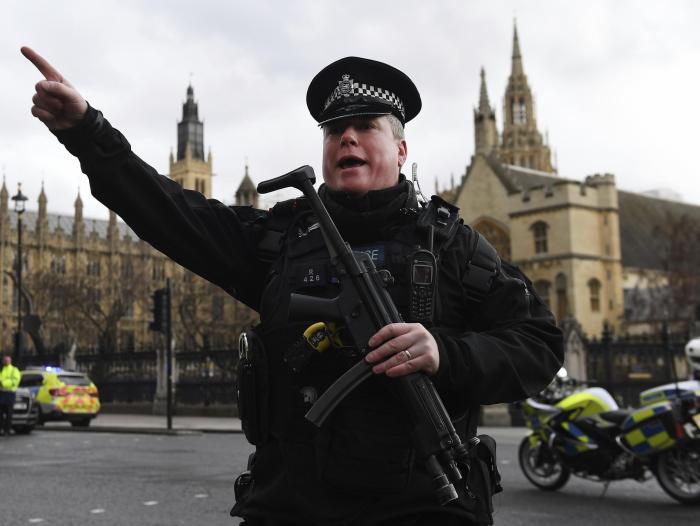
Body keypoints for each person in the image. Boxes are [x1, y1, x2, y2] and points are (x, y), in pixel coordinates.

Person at [22, 47, 564, 525]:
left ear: (400, 150)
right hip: (291, 505)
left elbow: (540, 344)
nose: (346, 136)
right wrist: (87, 132)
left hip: (425, 504)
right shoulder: (278, 238)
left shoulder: (453, 245)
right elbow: (169, 213)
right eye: (334, 130)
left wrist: (446, 354)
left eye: (367, 124)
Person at [0, 355, 22, 436]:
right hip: (1, 393)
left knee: (9, 414)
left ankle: (7, 430)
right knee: (1, 414)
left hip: (10, 394)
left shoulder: (14, 370)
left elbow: (15, 381)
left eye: (7, 360)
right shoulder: (2, 369)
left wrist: (3, 383)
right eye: (4, 360)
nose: (5, 361)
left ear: (10, 361)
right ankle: (2, 430)